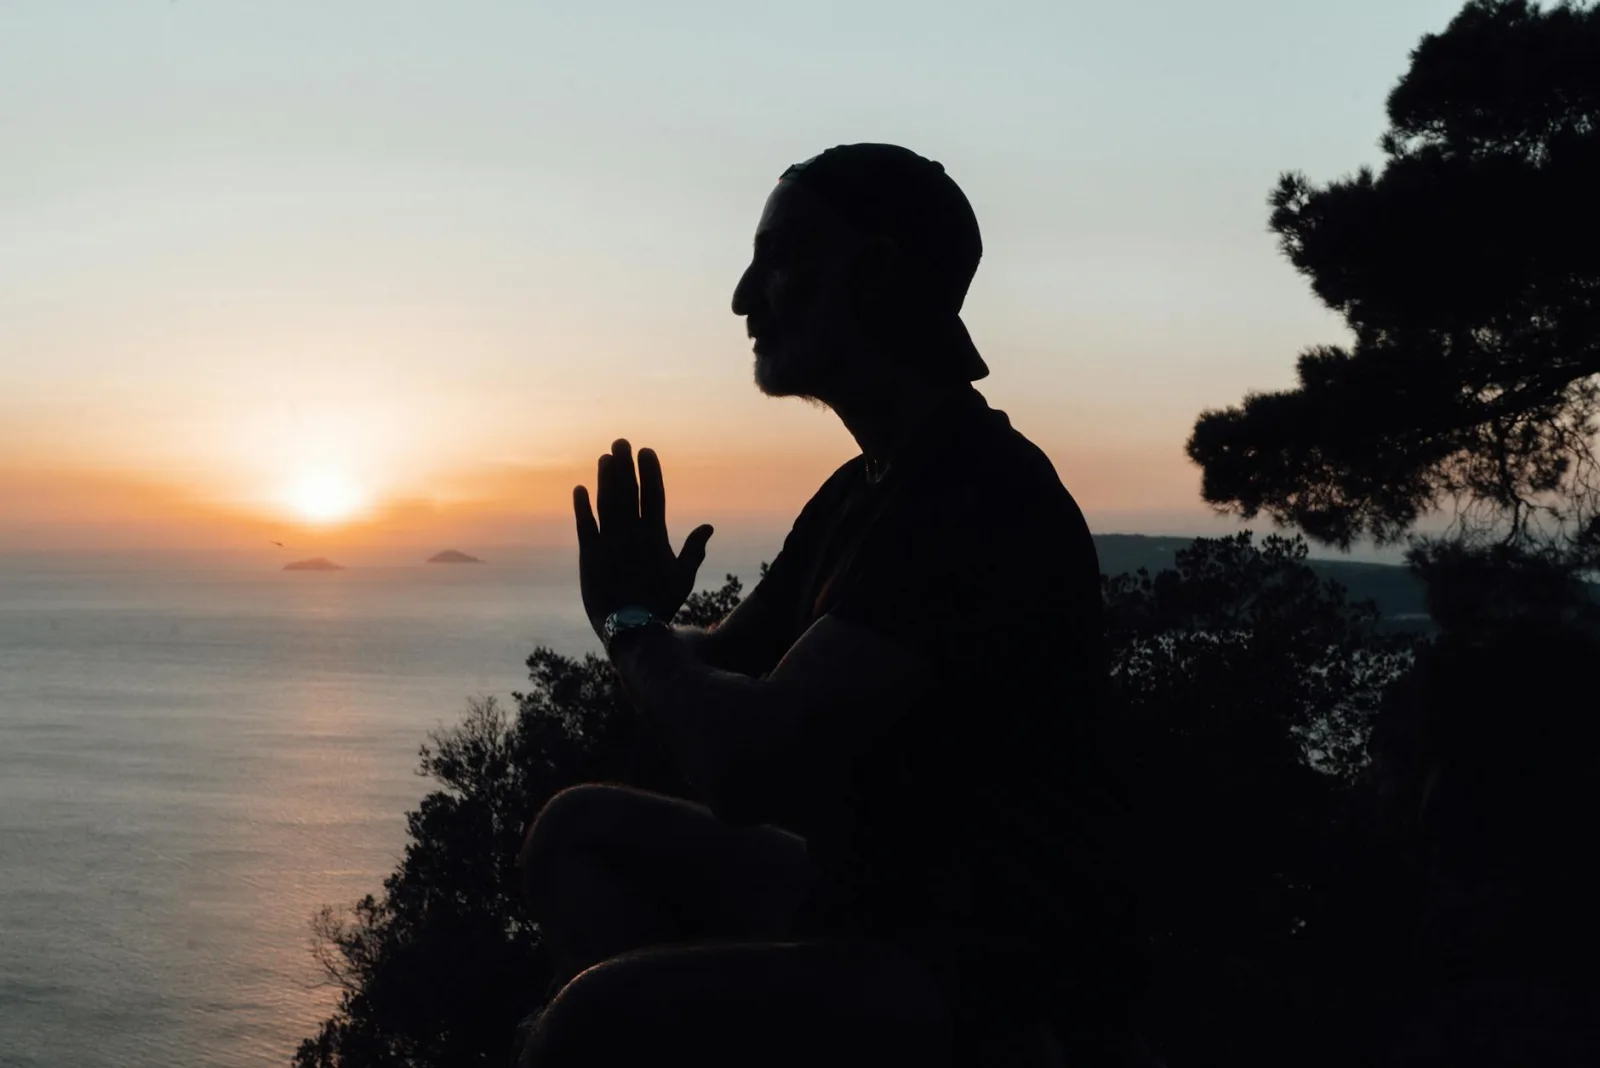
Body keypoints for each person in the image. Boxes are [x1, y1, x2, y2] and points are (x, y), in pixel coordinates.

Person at [517, 143, 1145, 1067]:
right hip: (872, 901)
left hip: (975, 969)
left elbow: (740, 761)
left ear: (874, 272)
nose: (743, 296)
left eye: (778, 259)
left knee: (585, 1024)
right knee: (577, 833)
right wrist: (644, 622)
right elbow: (720, 666)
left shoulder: (974, 497)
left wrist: (631, 627)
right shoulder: (869, 487)